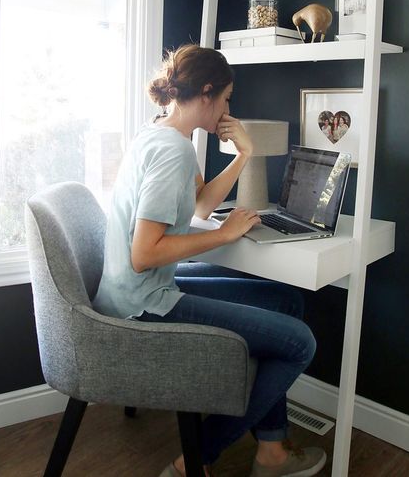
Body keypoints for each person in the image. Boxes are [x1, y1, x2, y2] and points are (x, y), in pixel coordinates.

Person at [93, 44, 326, 477]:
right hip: (142, 304)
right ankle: (194, 459)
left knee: (286, 302)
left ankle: (271, 452)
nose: (227, 108)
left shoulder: (162, 132)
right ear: (206, 93)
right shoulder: (173, 151)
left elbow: (200, 206)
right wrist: (224, 234)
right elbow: (144, 254)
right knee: (300, 343)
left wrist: (243, 155)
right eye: (226, 98)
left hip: (139, 290)